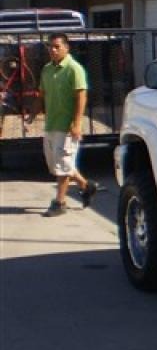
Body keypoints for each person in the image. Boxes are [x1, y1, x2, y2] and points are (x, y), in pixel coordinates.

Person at [30, 33, 99, 216]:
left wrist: (76, 124)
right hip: (51, 124)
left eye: (57, 47)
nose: (53, 50)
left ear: (66, 48)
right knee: (57, 164)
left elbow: (81, 96)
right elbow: (42, 94)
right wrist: (32, 113)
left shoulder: (74, 68)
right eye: (50, 47)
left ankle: (59, 203)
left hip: (67, 127)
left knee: (62, 165)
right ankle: (87, 186)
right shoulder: (46, 69)